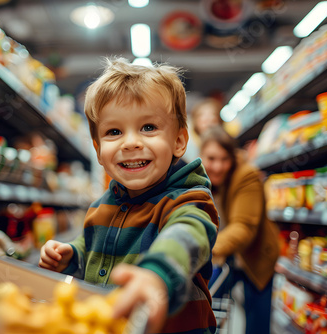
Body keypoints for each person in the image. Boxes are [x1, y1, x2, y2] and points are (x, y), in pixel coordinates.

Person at [39, 58, 219, 334]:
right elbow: (93, 244)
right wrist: (72, 253)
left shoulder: (188, 200)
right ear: (98, 150)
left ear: (179, 141)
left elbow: (187, 233)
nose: (131, 142)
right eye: (114, 132)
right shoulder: (101, 206)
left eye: (148, 127)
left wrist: (157, 274)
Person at [199, 125, 280, 334]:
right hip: (230, 257)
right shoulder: (203, 179)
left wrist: (205, 249)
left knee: (257, 323)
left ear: (233, 158)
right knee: (206, 307)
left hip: (256, 257)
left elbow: (244, 227)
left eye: (224, 159)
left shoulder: (247, 176)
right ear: (201, 157)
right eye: (211, 159)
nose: (217, 166)